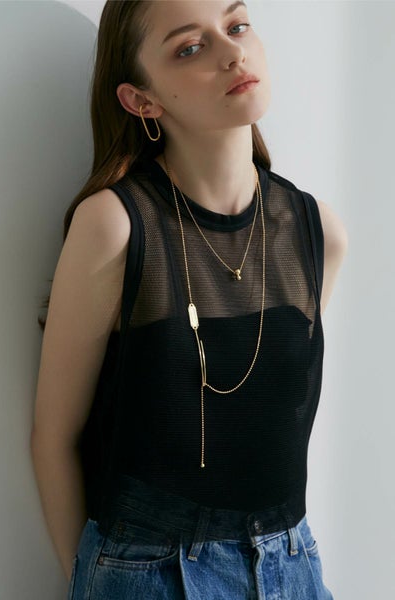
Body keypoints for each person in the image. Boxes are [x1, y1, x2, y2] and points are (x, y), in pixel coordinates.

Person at [30, 1, 347, 598]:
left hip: (291, 564)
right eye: (190, 48)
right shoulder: (116, 226)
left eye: (237, 25)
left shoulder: (317, 232)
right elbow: (53, 437)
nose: (233, 52)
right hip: (148, 570)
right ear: (140, 100)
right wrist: (93, 582)